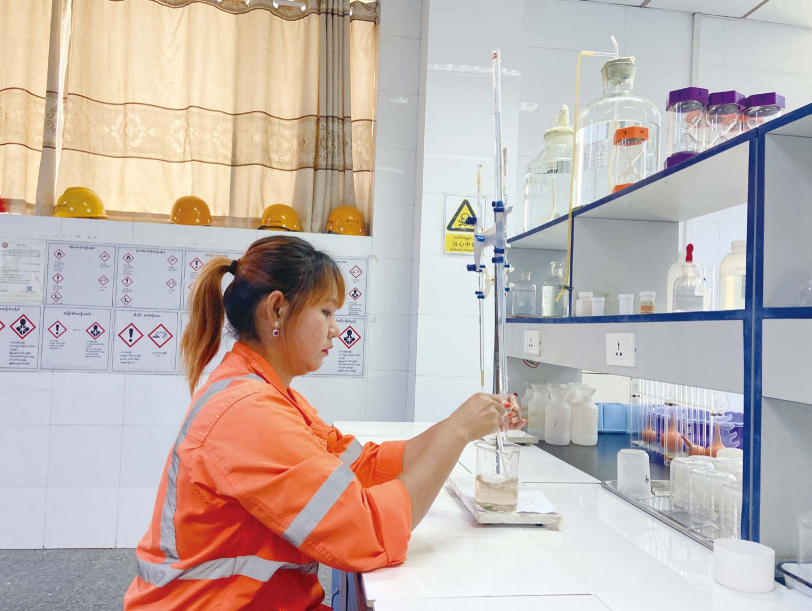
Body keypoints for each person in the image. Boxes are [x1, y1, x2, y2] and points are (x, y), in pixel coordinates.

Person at [123, 235, 523, 611]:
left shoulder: (270, 395)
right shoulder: (248, 413)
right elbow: (367, 533)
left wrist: (465, 421)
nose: (336, 329)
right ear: (277, 309)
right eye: (326, 311)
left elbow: (363, 467)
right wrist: (458, 431)